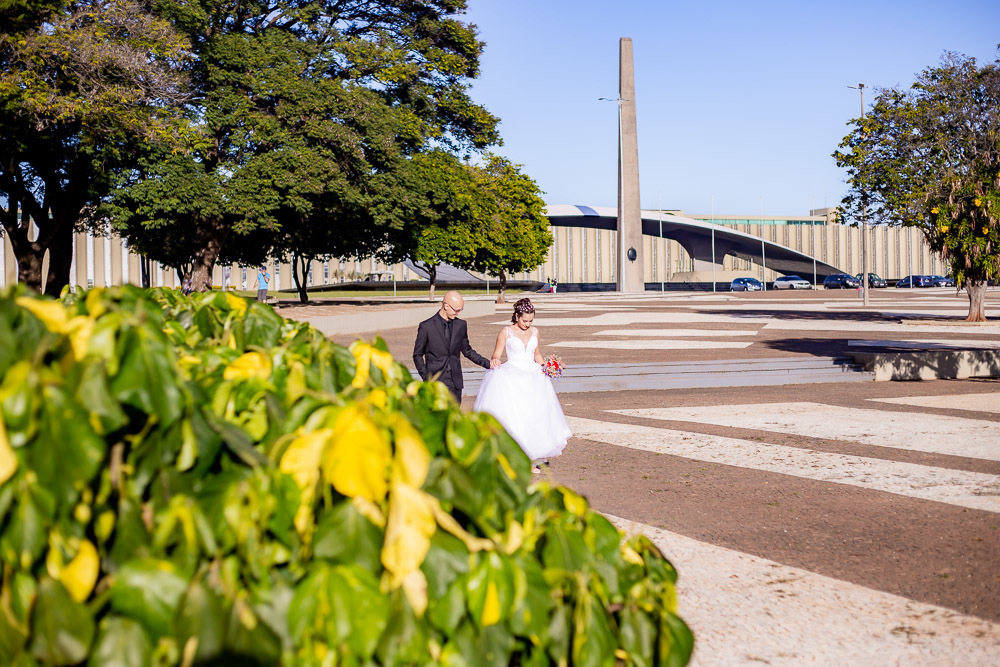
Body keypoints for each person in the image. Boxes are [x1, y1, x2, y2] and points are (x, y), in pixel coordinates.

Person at [473, 298, 571, 472]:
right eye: (525, 320)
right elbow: (496, 354)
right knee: (516, 417)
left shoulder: (535, 332)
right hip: (512, 377)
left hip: (534, 377)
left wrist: (548, 366)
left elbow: (537, 354)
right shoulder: (506, 332)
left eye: (531, 321)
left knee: (534, 416)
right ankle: (514, 456)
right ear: (517, 316)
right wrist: (495, 360)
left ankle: (532, 458)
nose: (527, 324)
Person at [412, 290, 491, 402]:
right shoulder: (426, 326)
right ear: (446, 306)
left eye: (461, 310)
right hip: (435, 384)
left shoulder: (461, 325)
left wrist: (488, 364)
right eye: (456, 310)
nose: (458, 313)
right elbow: (417, 355)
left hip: (455, 384)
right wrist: (427, 378)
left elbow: (467, 351)